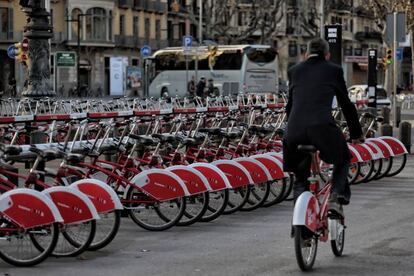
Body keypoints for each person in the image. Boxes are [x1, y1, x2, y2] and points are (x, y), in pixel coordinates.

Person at [283, 38, 364, 217]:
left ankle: (300, 223)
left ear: (306, 54)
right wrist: (356, 133)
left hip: (294, 131)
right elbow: (346, 104)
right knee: (343, 158)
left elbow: (290, 105)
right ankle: (336, 196)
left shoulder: (294, 71)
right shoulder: (333, 70)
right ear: (327, 55)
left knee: (300, 178)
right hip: (322, 128)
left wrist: (291, 128)